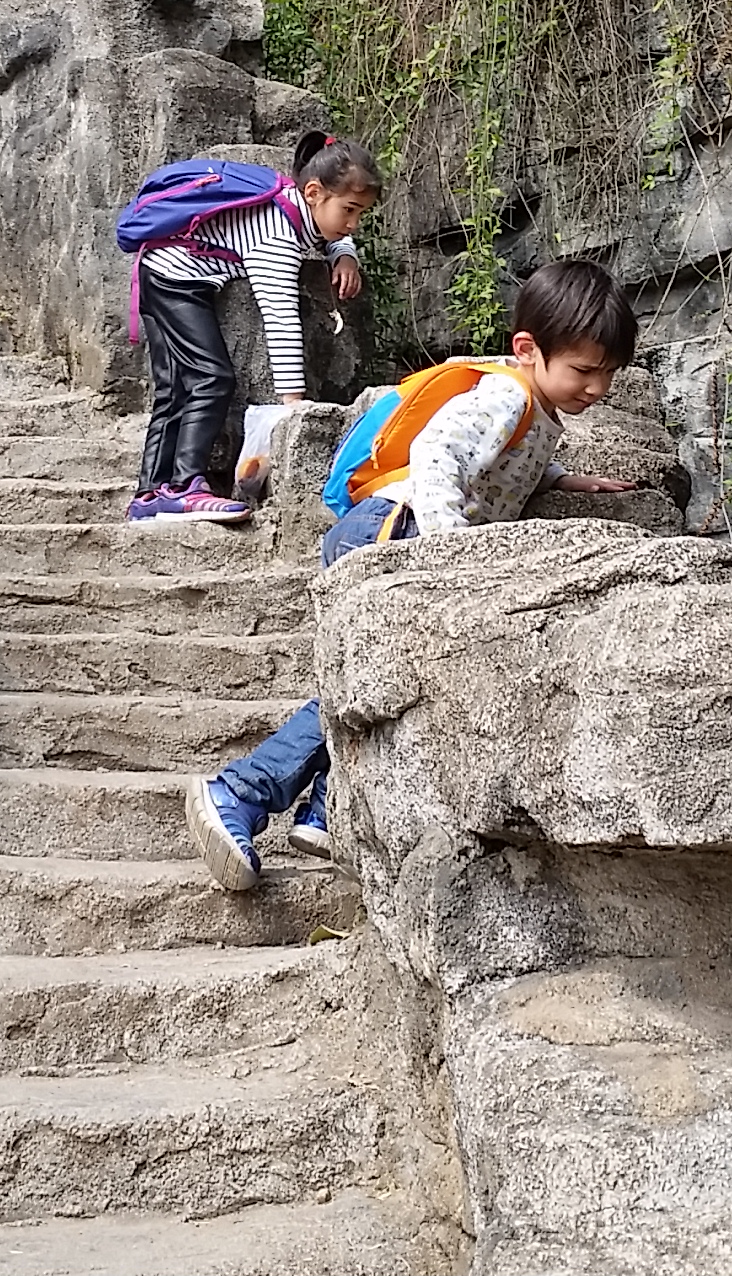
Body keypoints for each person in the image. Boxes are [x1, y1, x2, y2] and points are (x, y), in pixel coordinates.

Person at [184, 258, 641, 890]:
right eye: (585, 370)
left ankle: (325, 806)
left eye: (608, 373)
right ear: (528, 348)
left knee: (385, 679)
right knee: (366, 679)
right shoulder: (508, 394)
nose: (597, 387)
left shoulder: (534, 407)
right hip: (394, 529)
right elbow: (437, 452)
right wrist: (449, 552)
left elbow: (498, 463)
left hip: (401, 532)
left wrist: (564, 480)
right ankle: (238, 792)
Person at [124, 129, 380, 523]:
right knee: (211, 378)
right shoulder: (275, 235)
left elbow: (326, 235)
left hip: (160, 268)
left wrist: (344, 252)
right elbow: (279, 317)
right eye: (349, 210)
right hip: (175, 279)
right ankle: (183, 487)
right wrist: (294, 404)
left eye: (361, 213)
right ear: (313, 193)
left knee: (175, 387)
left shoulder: (292, 207)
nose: (354, 223)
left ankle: (149, 495)